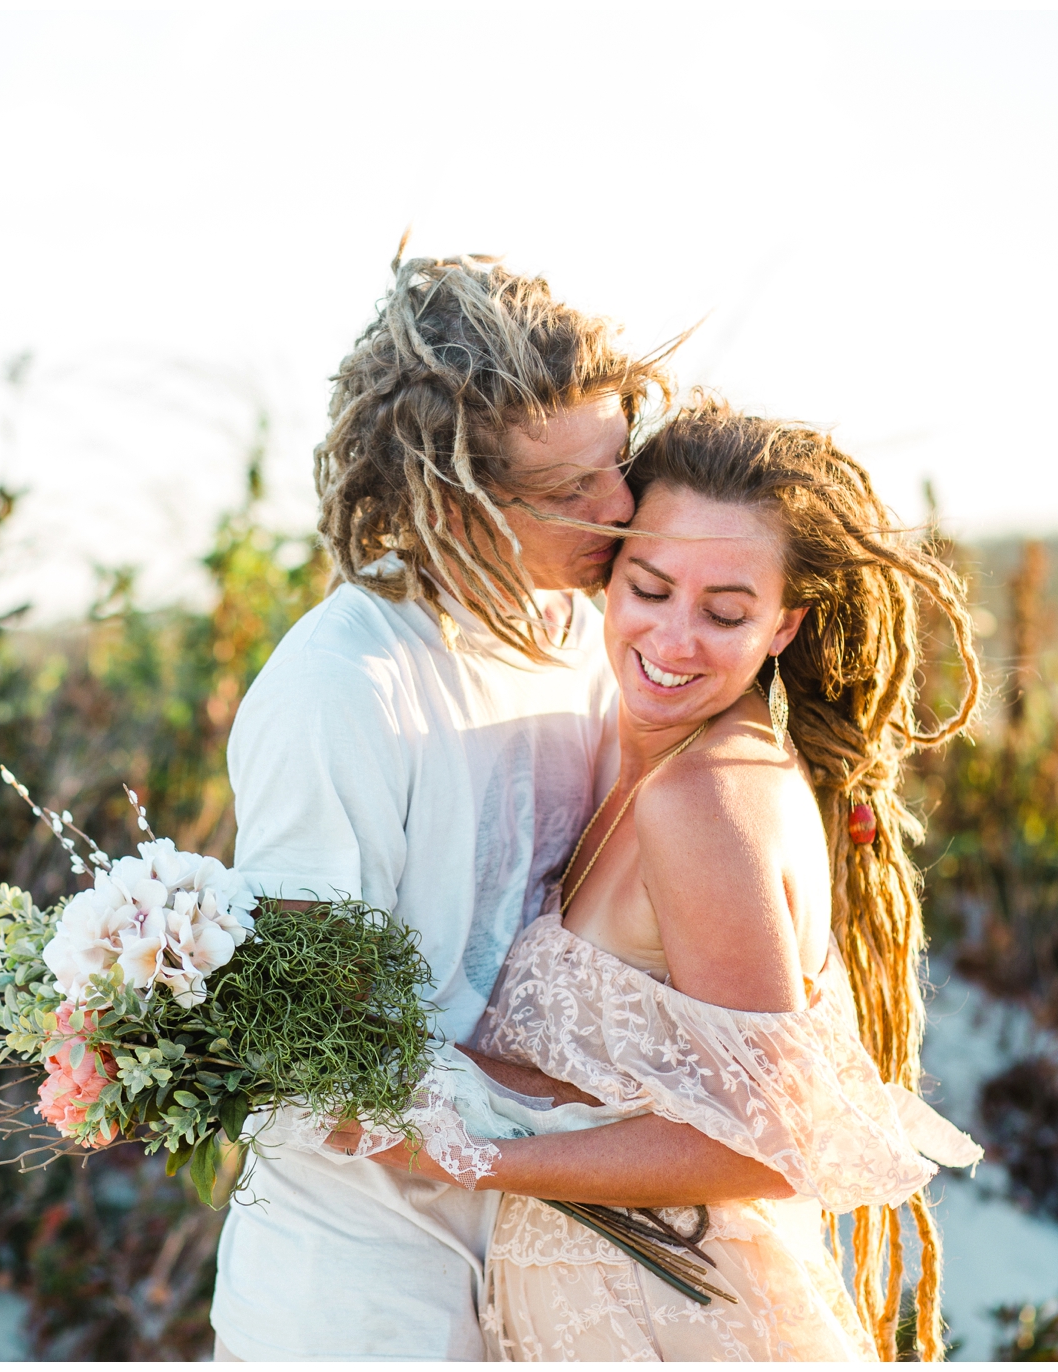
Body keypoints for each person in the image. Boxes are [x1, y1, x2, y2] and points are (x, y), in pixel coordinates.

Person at [209, 255, 792, 1363]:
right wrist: (584, 1101)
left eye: (614, 465)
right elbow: (316, 1062)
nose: (619, 511)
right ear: (448, 497)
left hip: (550, 1268)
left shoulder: (584, 633)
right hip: (357, 1288)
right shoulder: (339, 688)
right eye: (572, 493)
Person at [357, 394, 984, 1360]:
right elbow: (627, 1082)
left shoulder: (705, 799)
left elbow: (773, 1141)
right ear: (607, 574)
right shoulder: (621, 748)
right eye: (649, 589)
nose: (675, 640)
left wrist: (480, 1161)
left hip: (680, 1321)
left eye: (726, 612)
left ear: (784, 625)